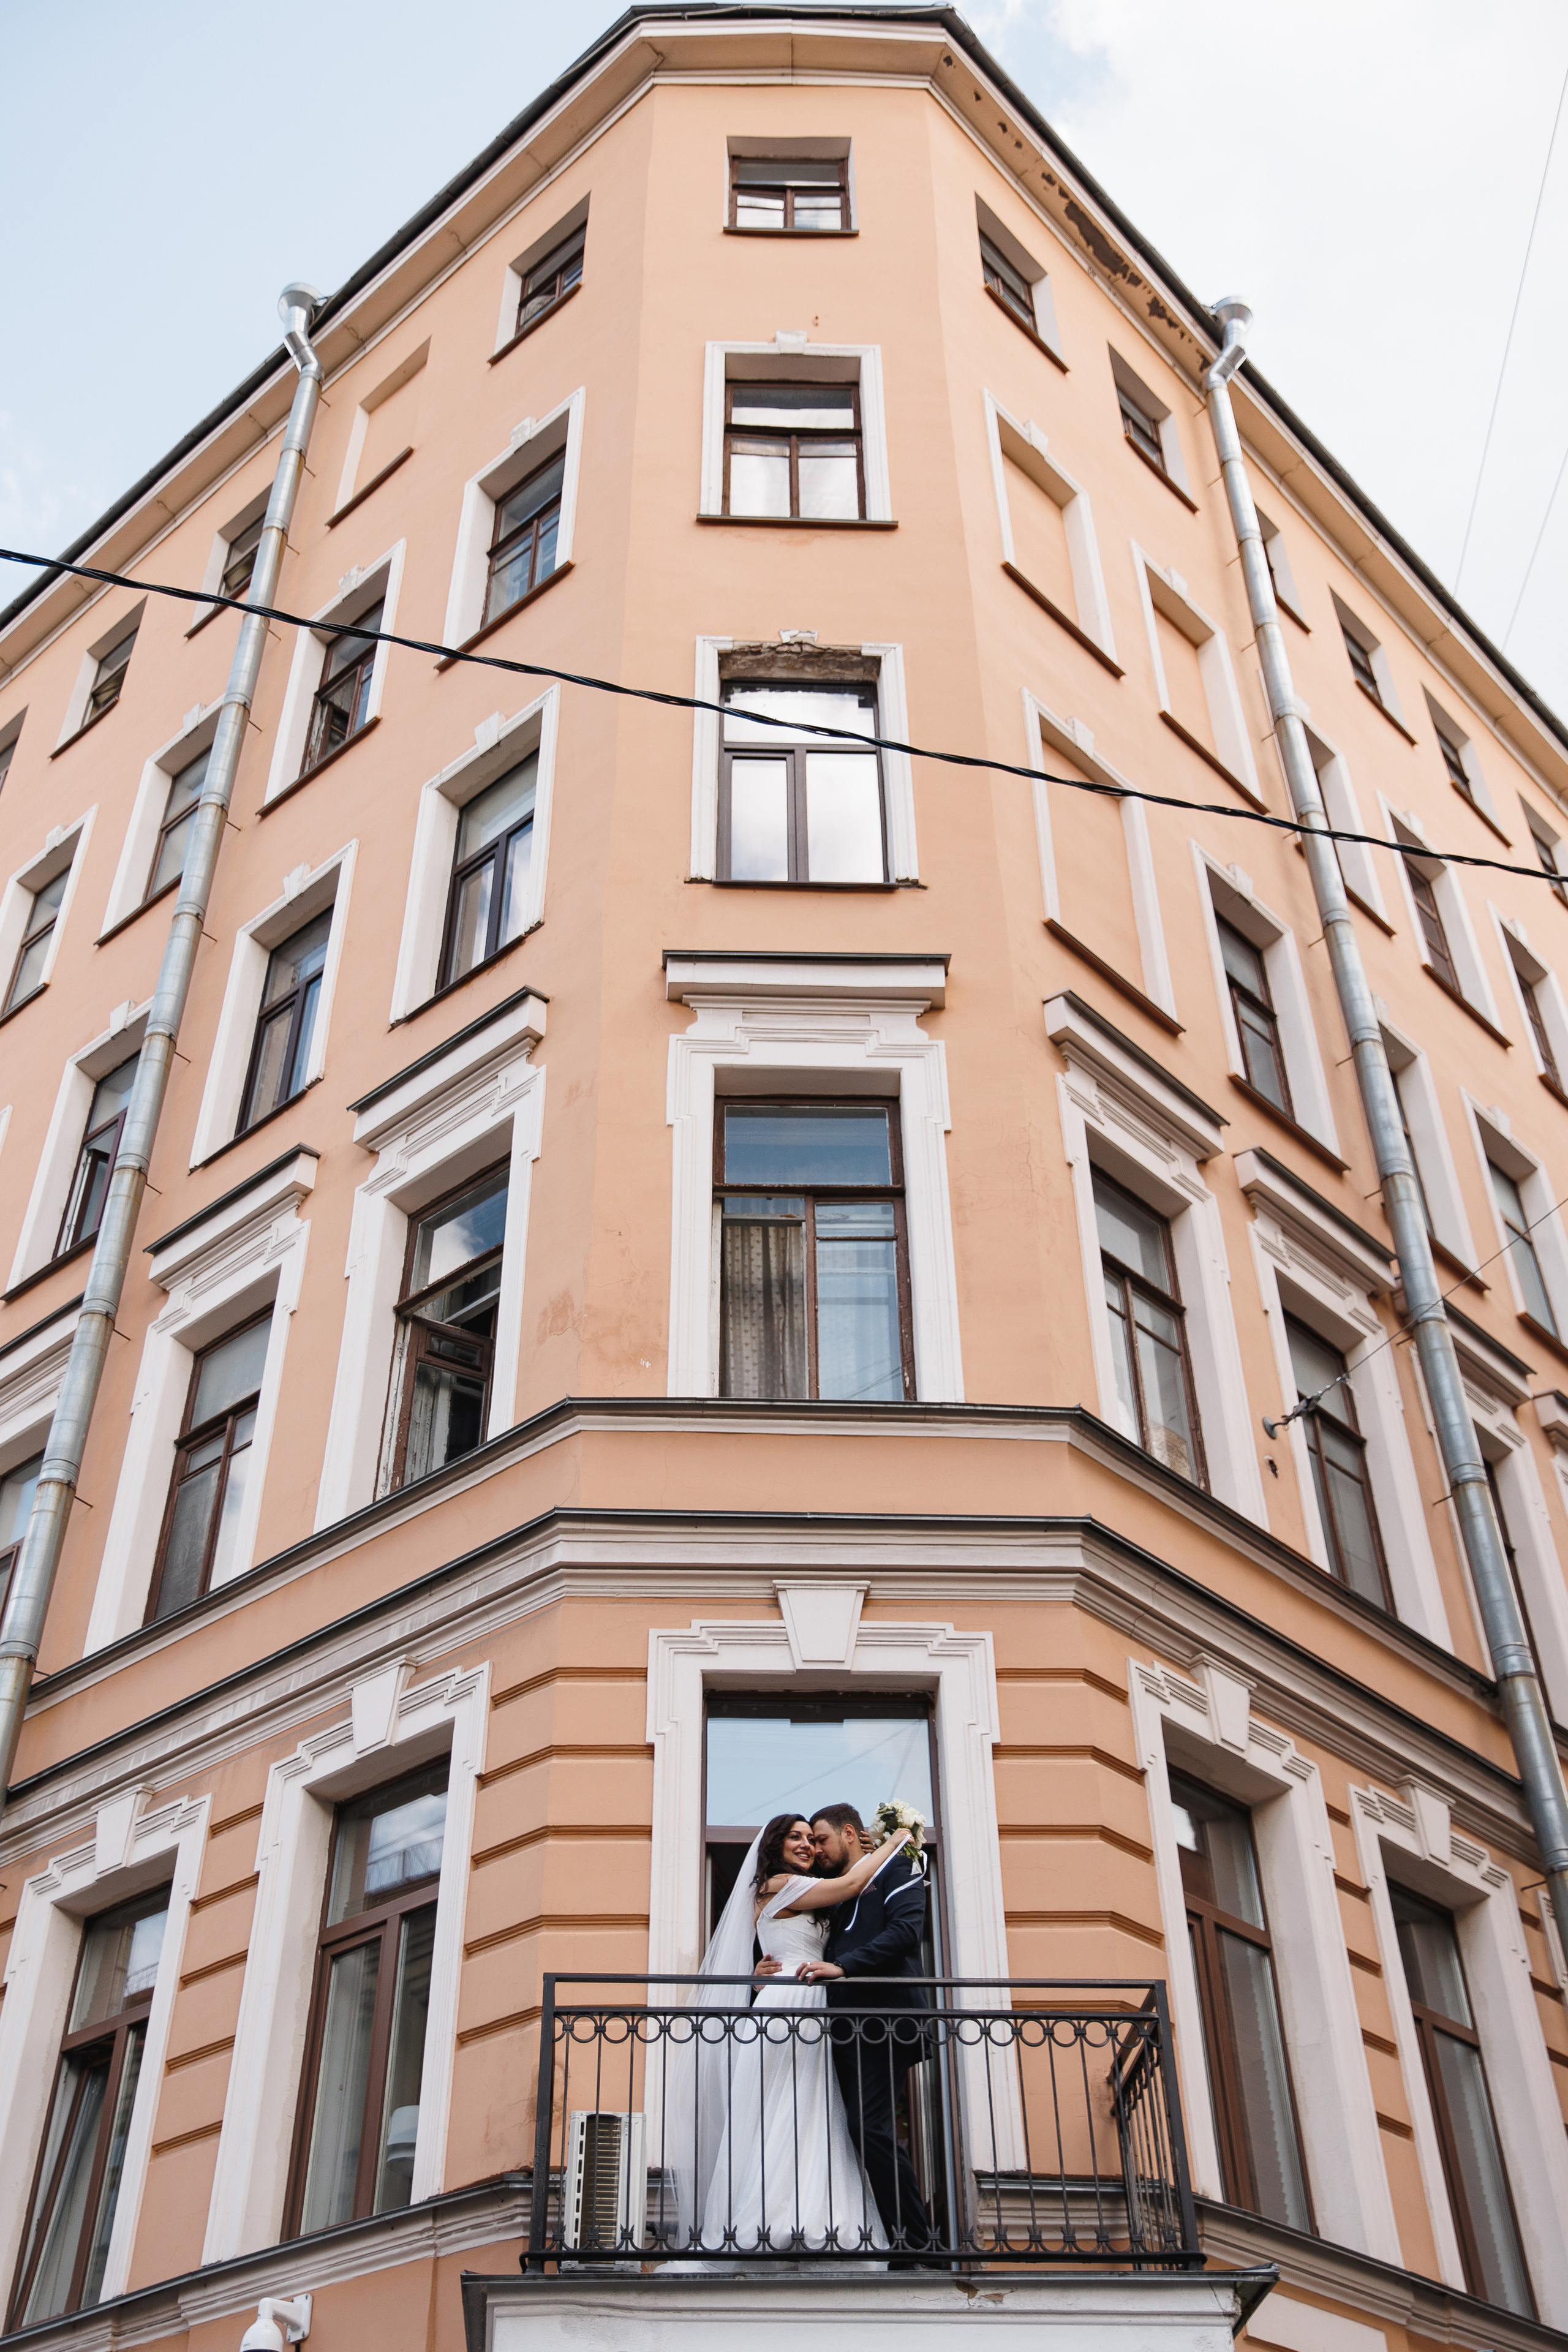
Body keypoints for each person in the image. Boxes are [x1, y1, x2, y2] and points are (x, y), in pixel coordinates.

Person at [668, 1811, 907, 2260]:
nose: (807, 1845)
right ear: (775, 1846)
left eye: (811, 1839)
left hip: (809, 2003)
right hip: (792, 2008)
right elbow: (851, 1886)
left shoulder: (798, 1890)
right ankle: (774, 2224)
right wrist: (896, 1841)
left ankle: (817, 2219)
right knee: (785, 2111)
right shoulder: (777, 1885)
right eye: (795, 1838)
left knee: (813, 2114)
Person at [786, 1804, 936, 2263]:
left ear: (849, 1833)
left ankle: (918, 2241)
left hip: (884, 2019)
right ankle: (877, 2234)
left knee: (868, 2126)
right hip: (845, 2026)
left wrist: (845, 1967)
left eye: (821, 1839)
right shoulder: (839, 1890)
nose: (815, 1849)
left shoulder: (900, 1865)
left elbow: (907, 1931)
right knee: (852, 2129)